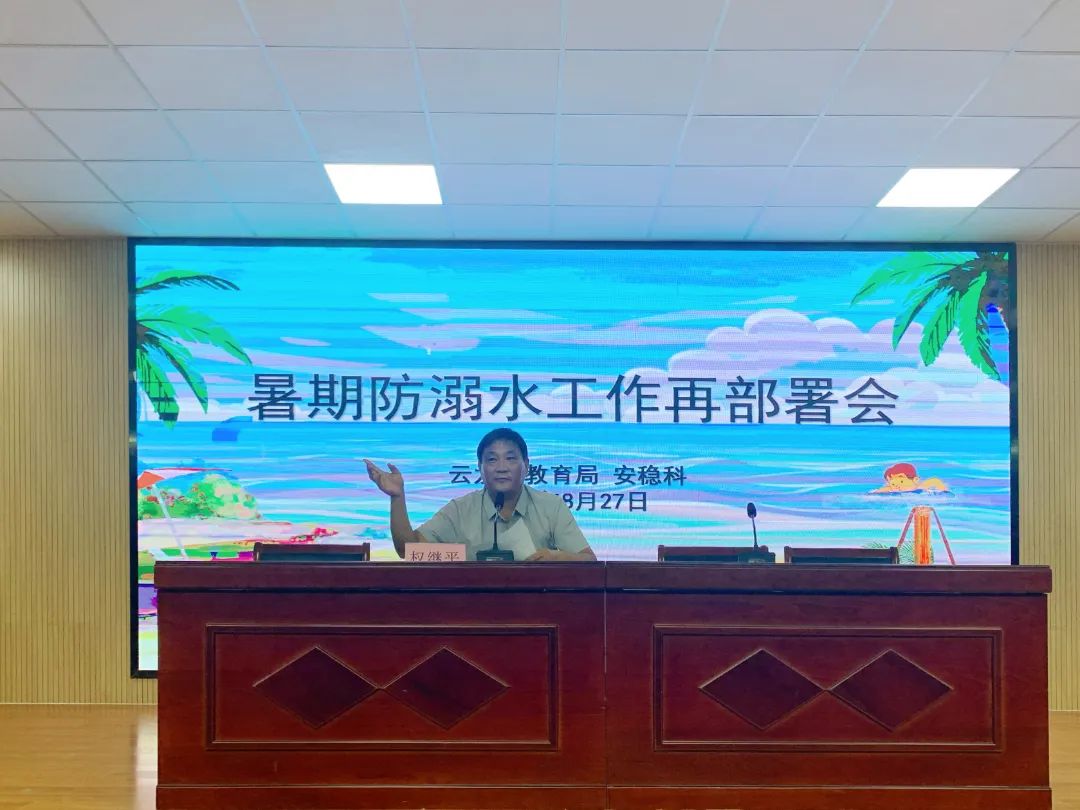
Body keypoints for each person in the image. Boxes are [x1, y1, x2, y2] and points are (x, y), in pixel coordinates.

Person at [364, 428, 596, 562]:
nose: (502, 467)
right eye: (492, 459)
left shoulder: (550, 506)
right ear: (480, 468)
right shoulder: (460, 509)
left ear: (526, 465)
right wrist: (397, 497)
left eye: (511, 458)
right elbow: (410, 551)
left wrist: (556, 557)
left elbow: (589, 561)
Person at [871, 462, 950, 494]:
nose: (897, 486)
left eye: (901, 482)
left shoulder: (921, 487)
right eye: (893, 484)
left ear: (916, 480)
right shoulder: (893, 491)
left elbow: (934, 481)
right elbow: (877, 492)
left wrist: (944, 490)